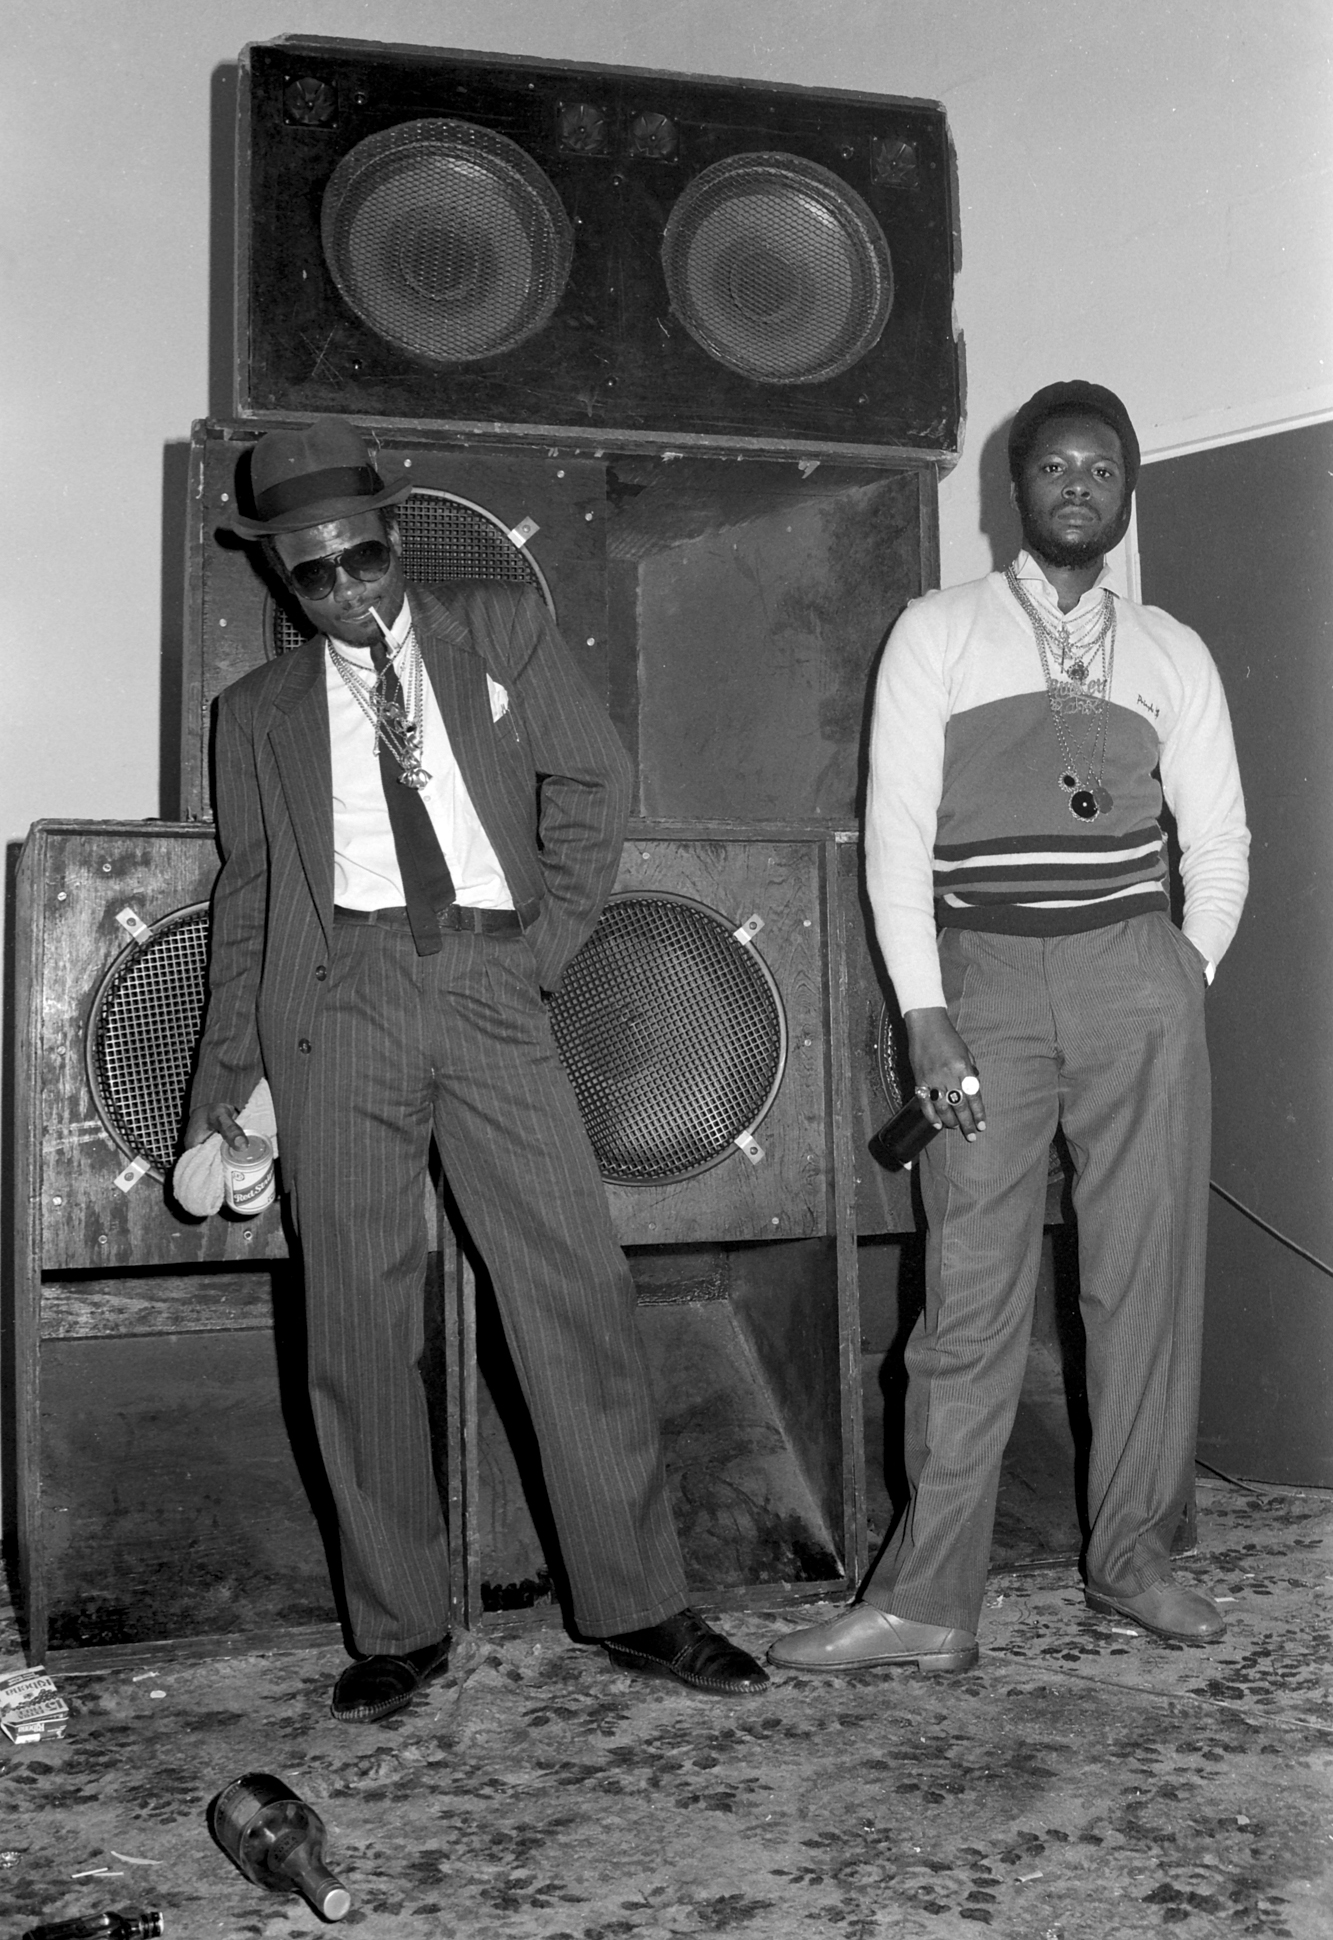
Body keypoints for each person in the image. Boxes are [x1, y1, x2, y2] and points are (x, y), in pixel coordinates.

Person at [182, 415, 768, 1718]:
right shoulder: (256, 713)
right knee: (355, 1323)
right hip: (336, 1010)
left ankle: (636, 1602)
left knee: (574, 1285)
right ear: (278, 571)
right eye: (311, 572)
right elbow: (248, 896)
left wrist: (545, 944)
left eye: (360, 558)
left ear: (393, 533)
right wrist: (228, 1081)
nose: (342, 589)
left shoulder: (496, 624)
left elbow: (593, 780)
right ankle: (395, 1626)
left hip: (492, 982)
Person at [769, 380, 1249, 1677]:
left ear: (1125, 492)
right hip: (979, 988)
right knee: (968, 1293)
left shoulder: (1172, 653)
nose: (1077, 485)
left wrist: (1173, 970)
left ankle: (1133, 1557)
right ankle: (928, 1603)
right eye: (1053, 467)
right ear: (1015, 489)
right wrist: (925, 1013)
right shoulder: (938, 631)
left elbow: (1216, 840)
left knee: (1141, 1281)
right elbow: (895, 840)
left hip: (1133, 984)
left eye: (1100, 468)